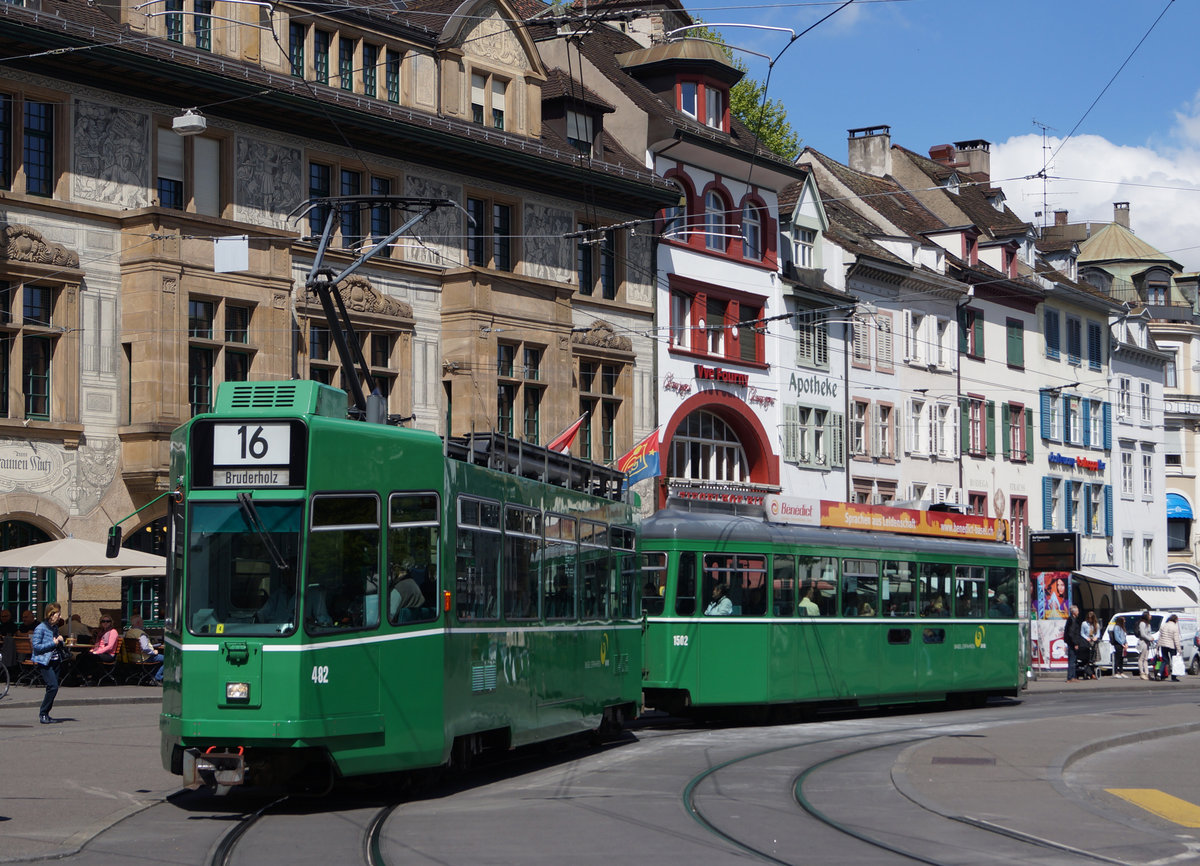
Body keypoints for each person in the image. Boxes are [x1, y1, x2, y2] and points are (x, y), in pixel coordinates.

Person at [30, 602, 66, 724]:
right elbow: (36, 647)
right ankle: (43, 713)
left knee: (52, 688)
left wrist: (61, 642)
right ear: (51, 615)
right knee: (53, 686)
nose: (59, 617)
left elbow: (57, 643)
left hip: (56, 660)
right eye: (58, 614)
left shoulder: (55, 627)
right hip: (45, 662)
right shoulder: (40, 628)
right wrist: (54, 643)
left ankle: (46, 713)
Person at [126, 615, 164, 684]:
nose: (143, 624)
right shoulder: (141, 634)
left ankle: (151, 676)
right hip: (144, 657)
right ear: (138, 623)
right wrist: (153, 652)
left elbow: (142, 646)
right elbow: (145, 648)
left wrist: (153, 646)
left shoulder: (129, 632)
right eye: (142, 622)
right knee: (166, 659)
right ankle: (157, 677)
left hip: (132, 657)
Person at [81, 615, 119, 682]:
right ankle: (83, 677)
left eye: (108, 621)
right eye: (103, 621)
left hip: (109, 654)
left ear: (111, 622)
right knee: (81, 656)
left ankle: (92, 677)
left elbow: (110, 646)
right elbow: (97, 645)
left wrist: (97, 652)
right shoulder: (101, 632)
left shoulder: (113, 632)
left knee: (91, 657)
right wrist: (93, 650)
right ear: (101, 623)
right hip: (100, 652)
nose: (105, 623)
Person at [1159, 613, 1182, 683]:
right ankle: (1173, 677)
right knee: (1174, 661)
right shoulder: (1175, 627)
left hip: (1163, 645)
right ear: (1175, 620)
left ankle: (1160, 673)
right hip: (1171, 646)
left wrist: (1157, 647)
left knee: (1165, 660)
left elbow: (1160, 637)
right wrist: (1179, 649)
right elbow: (1176, 639)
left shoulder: (1163, 625)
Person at [1063, 605, 1083, 682]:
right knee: (1072, 660)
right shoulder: (1072, 620)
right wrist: (1075, 643)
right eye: (1077, 611)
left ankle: (1073, 676)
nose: (1078, 612)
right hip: (1072, 643)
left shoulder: (1073, 619)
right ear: (1074, 612)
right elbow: (1072, 633)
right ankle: (1070, 677)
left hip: (1071, 642)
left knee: (1073, 660)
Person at [1136, 611, 1154, 680]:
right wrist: (1150, 638)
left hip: (1147, 642)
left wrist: (1151, 638)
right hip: (1143, 642)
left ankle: (1147, 673)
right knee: (1141, 658)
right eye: (1149, 615)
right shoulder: (1142, 623)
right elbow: (1143, 634)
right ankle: (1142, 673)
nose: (1150, 616)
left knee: (1146, 658)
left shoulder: (1148, 624)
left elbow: (1149, 633)